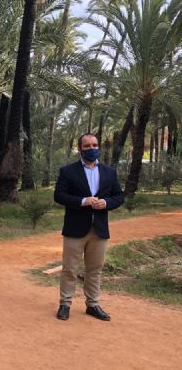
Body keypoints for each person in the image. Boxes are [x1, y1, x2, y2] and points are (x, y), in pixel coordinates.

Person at [54, 132, 124, 321]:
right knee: (70, 268)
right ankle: (65, 304)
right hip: (75, 228)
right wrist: (82, 201)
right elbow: (59, 195)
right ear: (80, 149)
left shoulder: (109, 172)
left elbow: (119, 196)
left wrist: (106, 203)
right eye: (87, 146)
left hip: (99, 230)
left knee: (95, 269)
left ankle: (92, 305)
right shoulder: (68, 171)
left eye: (94, 145)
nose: (92, 149)